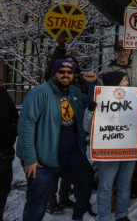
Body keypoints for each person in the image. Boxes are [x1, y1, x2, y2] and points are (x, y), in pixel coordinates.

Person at [16, 60, 95, 221]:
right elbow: (26, 126)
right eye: (61, 71)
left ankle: (80, 213)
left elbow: (93, 104)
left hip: (70, 153)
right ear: (54, 74)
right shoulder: (40, 93)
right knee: (37, 201)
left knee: (86, 178)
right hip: (42, 157)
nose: (65, 75)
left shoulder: (74, 91)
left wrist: (93, 84)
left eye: (69, 72)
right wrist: (30, 158)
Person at [83, 71, 137, 221]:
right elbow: (87, 127)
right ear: (115, 84)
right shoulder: (99, 100)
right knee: (105, 187)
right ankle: (104, 217)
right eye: (123, 80)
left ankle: (122, 215)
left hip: (128, 149)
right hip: (107, 151)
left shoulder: (132, 100)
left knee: (124, 185)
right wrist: (90, 111)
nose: (127, 83)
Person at [0, 84, 18, 221]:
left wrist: (9, 132)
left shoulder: (2, 93)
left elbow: (14, 116)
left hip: (4, 155)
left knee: (3, 190)